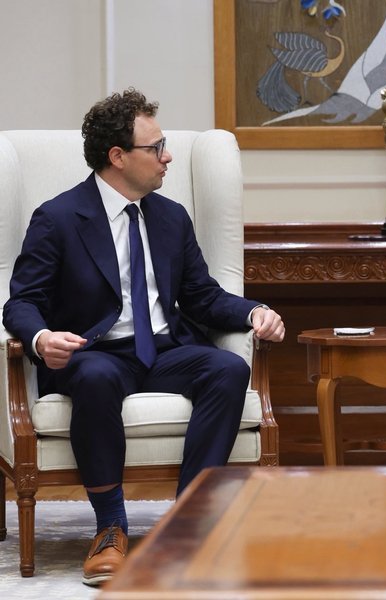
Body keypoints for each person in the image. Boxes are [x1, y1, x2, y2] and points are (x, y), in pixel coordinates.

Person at [2, 88, 285, 586]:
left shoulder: (170, 217)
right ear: (118, 156)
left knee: (228, 368)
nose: (167, 157)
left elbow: (202, 297)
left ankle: (187, 523)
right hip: (95, 353)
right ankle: (110, 528)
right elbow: (21, 301)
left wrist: (255, 311)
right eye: (156, 148)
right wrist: (42, 338)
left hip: (162, 351)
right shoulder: (59, 218)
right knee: (95, 377)